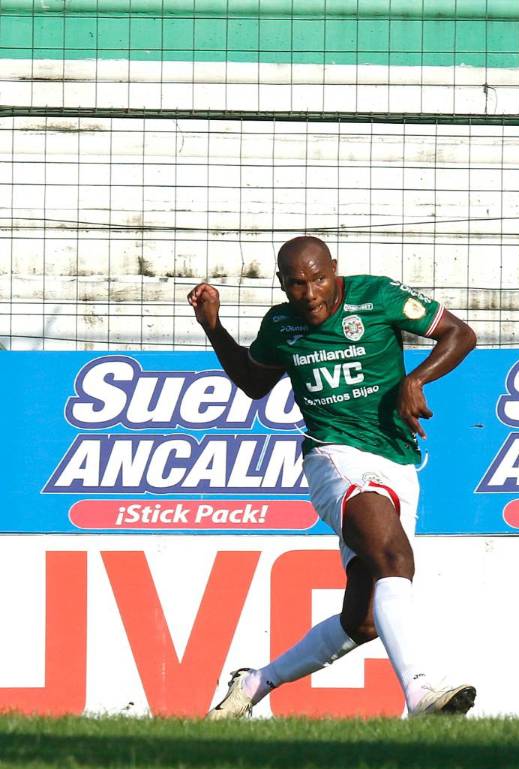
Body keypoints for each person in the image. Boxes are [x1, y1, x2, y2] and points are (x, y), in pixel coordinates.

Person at [188, 235, 478, 719]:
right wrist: (213, 327)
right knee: (394, 558)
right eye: (298, 284)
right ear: (283, 284)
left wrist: (415, 379)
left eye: (319, 279)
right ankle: (421, 692)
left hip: (397, 460)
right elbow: (255, 384)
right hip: (334, 458)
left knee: (361, 622)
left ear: (334, 269)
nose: (311, 294)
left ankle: (256, 683)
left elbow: (459, 334)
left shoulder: (378, 297)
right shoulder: (281, 325)